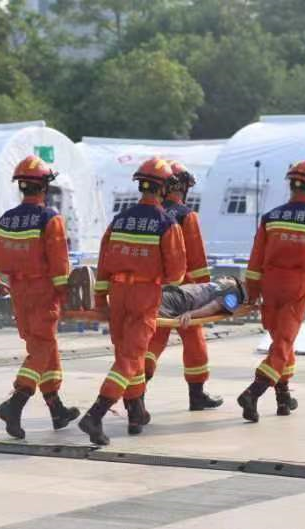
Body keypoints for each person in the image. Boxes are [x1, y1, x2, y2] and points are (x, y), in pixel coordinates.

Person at [79, 157, 187, 445]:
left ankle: (136, 412)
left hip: (118, 294)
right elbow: (177, 274)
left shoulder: (119, 221)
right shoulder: (167, 223)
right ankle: (95, 414)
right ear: (163, 189)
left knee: (125, 353)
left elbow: (102, 265)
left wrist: (101, 299)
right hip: (144, 295)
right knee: (131, 357)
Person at [0, 154, 79, 439]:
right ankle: (15, 402)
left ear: (21, 187)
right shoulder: (50, 219)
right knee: (42, 348)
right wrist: (65, 295)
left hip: (18, 292)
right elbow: (60, 267)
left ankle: (56, 409)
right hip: (43, 291)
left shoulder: (4, 220)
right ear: (44, 187)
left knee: (45, 347)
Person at [238, 160, 305, 422]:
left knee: (282, 343)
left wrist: (252, 293)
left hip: (270, 285)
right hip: (296, 285)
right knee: (283, 343)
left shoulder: (271, 217)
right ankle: (253, 392)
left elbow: (255, 260)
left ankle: (283, 397)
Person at [145, 161, 223, 411]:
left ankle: (136, 398)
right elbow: (198, 263)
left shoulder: (148, 215)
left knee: (152, 343)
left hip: (154, 292)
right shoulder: (185, 215)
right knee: (194, 341)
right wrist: (204, 296)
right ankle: (196, 395)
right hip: (186, 293)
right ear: (182, 187)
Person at [158, 277, 246, 327]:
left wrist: (190, 314)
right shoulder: (227, 288)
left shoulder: (233, 294)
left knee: (149, 306)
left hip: (183, 299)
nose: (224, 278)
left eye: (228, 278)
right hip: (178, 294)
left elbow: (213, 307)